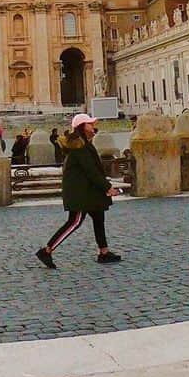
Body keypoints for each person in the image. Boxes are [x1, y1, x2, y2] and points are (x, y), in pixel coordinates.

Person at [36, 113, 122, 269]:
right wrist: (108, 187)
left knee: (98, 218)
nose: (93, 127)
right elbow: (91, 171)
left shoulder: (82, 143)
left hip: (88, 191)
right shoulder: (79, 146)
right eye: (90, 124)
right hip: (81, 193)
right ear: (82, 127)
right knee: (74, 222)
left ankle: (104, 252)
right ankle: (47, 250)